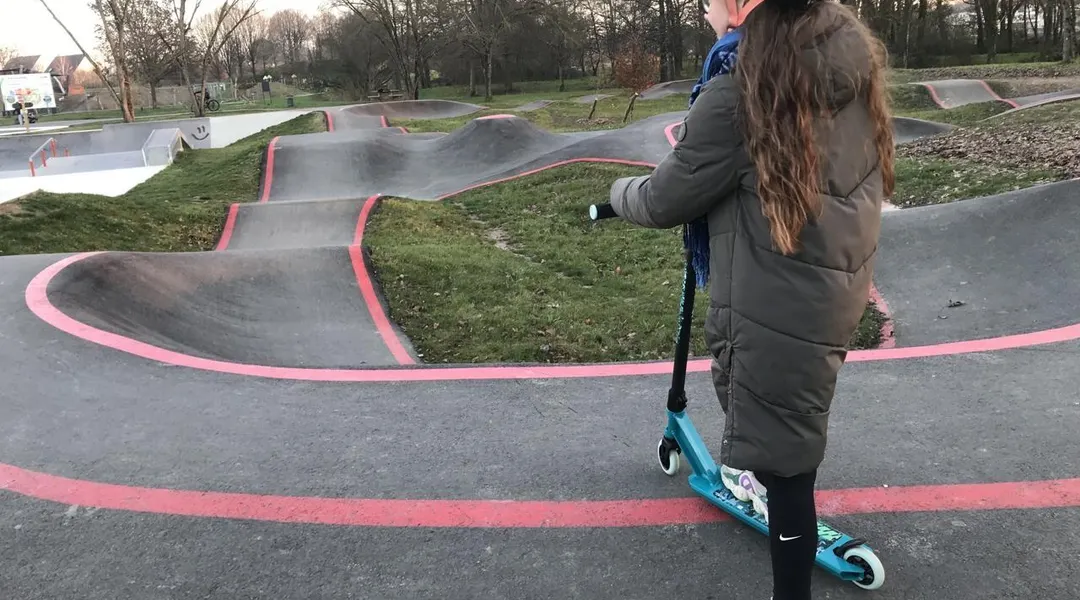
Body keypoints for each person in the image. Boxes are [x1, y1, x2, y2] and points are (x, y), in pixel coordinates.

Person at [607, 0, 895, 598]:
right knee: (786, 437)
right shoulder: (842, 61)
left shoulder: (741, 93)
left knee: (788, 468)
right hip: (833, 284)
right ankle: (762, 481)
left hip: (775, 306)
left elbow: (663, 198)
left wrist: (615, 193)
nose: (705, 9)